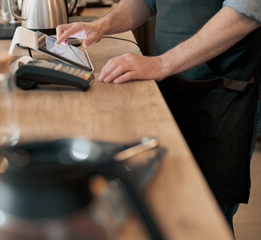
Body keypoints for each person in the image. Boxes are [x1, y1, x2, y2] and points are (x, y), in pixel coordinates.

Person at [56, 0, 261, 233]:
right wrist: (102, 25)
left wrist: (162, 63)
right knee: (173, 212)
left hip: (218, 93)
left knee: (208, 221)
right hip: (172, 84)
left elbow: (248, 12)